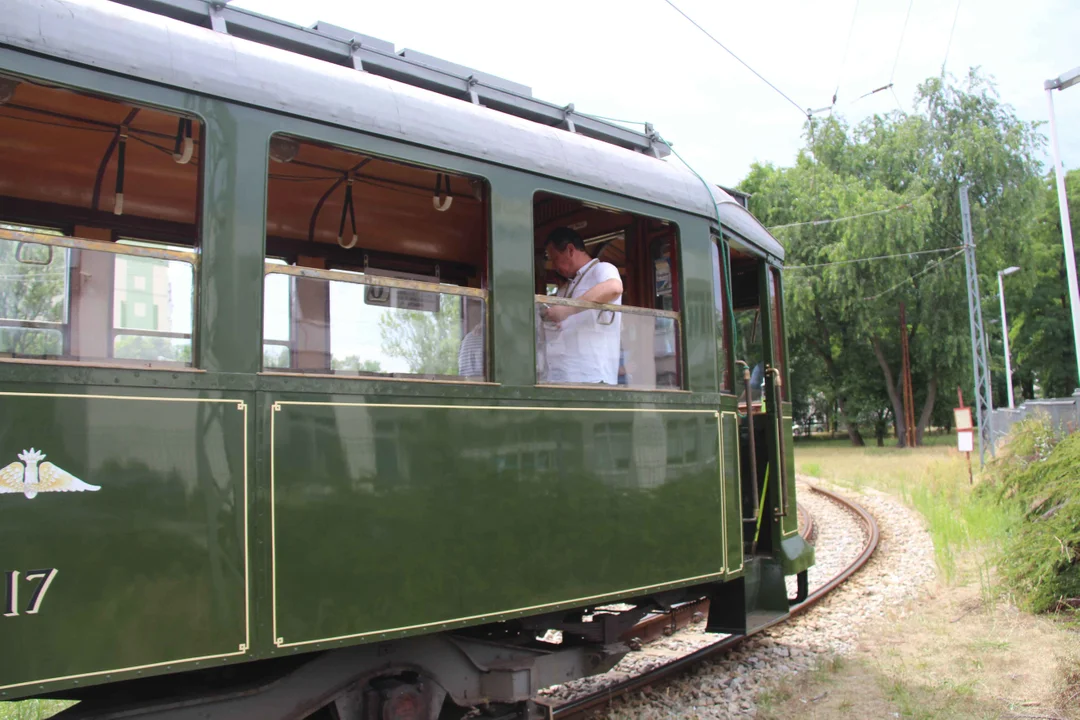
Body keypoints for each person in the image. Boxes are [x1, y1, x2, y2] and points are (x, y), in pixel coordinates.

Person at [538, 227, 624, 384]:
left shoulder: (602, 269)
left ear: (570, 250)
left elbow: (614, 287)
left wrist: (567, 310)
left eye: (555, 258)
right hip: (562, 375)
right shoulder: (566, 287)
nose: (554, 266)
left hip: (592, 377)